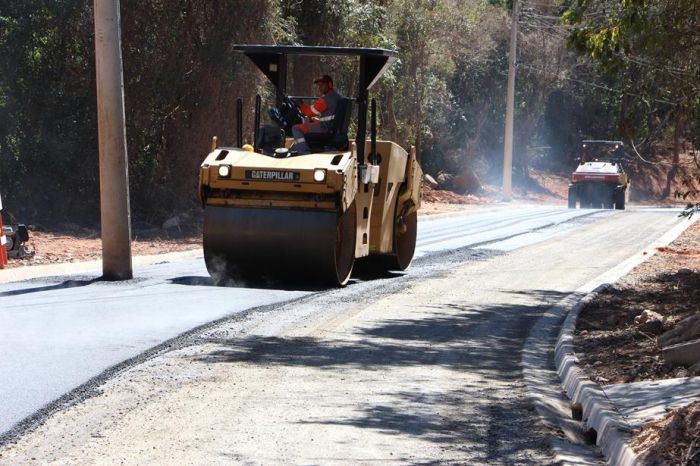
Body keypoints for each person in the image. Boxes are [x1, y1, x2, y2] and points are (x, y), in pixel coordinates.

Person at [291, 75, 343, 154]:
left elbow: (309, 113)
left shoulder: (325, 100)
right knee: (308, 120)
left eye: (322, 85)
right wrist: (318, 121)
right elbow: (331, 116)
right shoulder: (338, 97)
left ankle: (303, 152)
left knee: (296, 128)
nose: (320, 88)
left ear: (330, 84)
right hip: (331, 128)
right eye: (319, 86)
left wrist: (301, 104)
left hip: (325, 129)